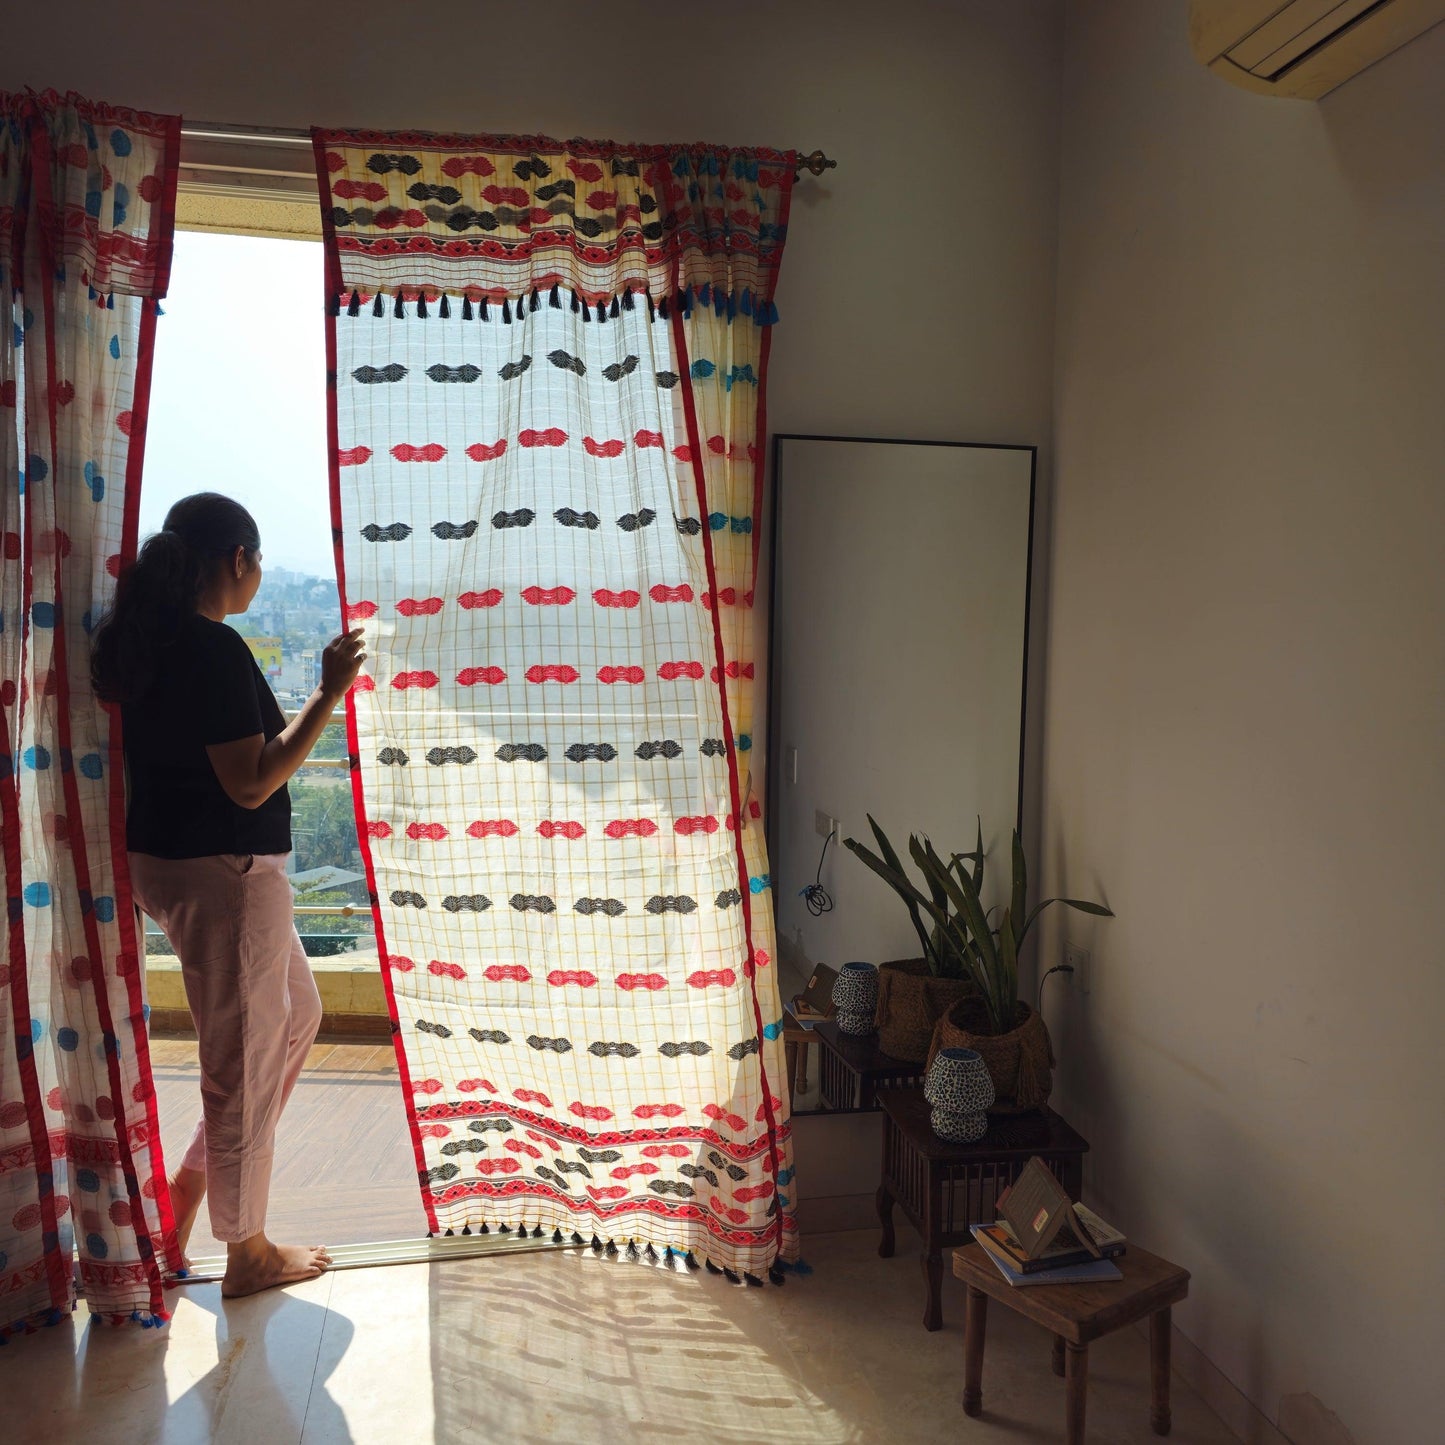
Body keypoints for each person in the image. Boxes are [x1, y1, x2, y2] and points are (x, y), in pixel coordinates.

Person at [91, 492, 366, 1298]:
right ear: (239, 559)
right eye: (258, 560)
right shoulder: (210, 648)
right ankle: (247, 1251)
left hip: (178, 865)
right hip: (225, 875)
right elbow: (250, 782)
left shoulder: (152, 638)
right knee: (242, 1061)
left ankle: (190, 1190)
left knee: (294, 1016)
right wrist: (328, 691)